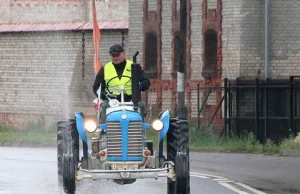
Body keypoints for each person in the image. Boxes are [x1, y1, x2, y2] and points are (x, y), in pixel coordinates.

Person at [92, 44, 150, 123]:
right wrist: (104, 95)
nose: (116, 58)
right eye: (113, 56)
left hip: (131, 99)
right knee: (104, 105)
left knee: (140, 105)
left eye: (118, 55)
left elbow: (145, 81)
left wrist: (140, 86)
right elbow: (96, 87)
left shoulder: (134, 67)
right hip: (111, 100)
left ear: (124, 54)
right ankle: (105, 130)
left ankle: (140, 130)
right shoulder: (105, 69)